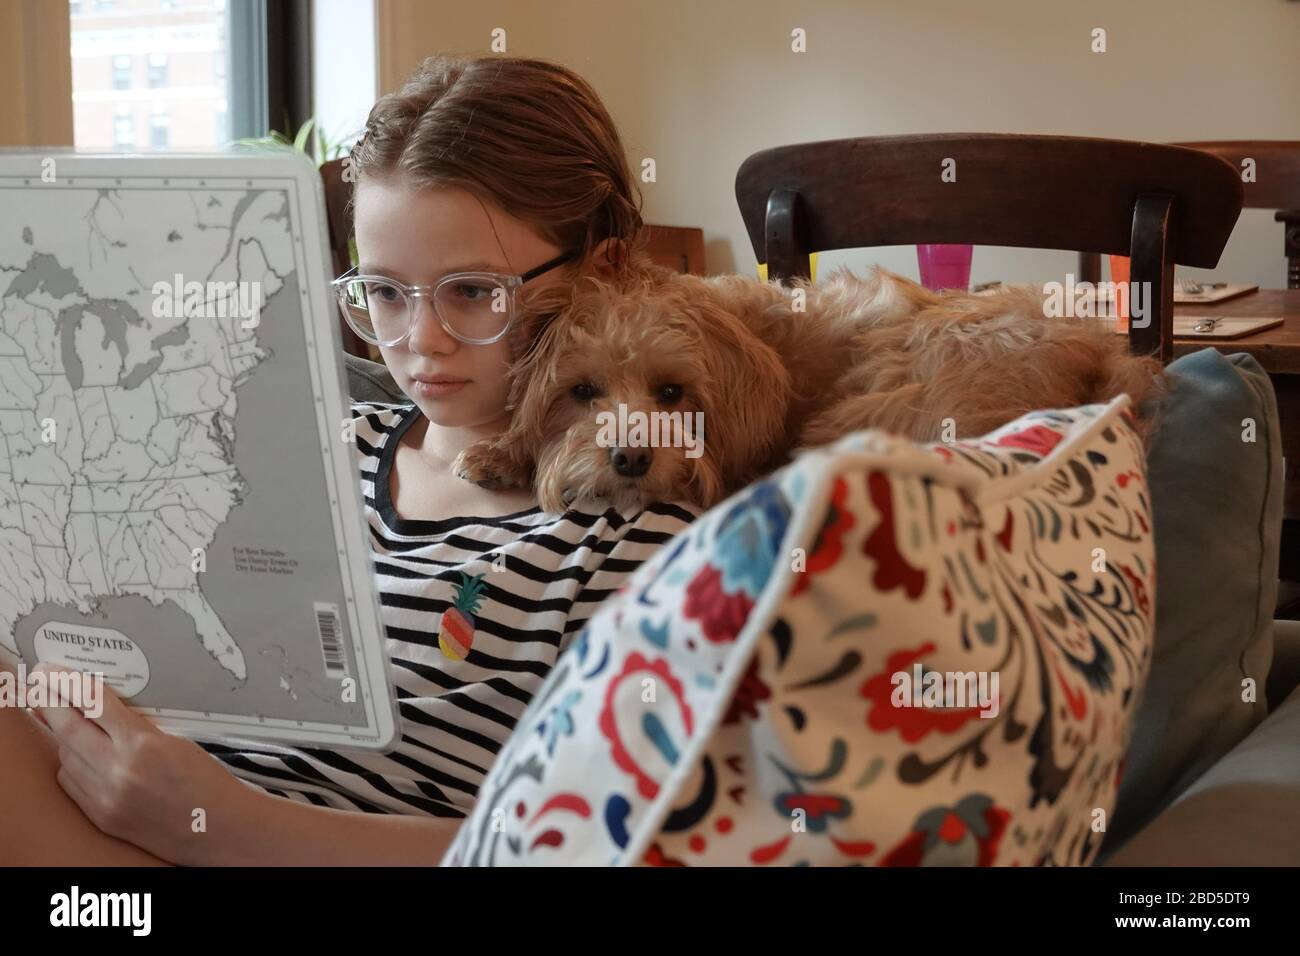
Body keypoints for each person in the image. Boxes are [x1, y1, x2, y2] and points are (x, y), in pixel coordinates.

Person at [0, 55, 697, 865]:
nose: (420, 343)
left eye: (472, 291)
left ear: (603, 266)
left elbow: (600, 849)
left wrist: (214, 820)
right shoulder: (309, 446)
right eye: (384, 294)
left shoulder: (630, 530)